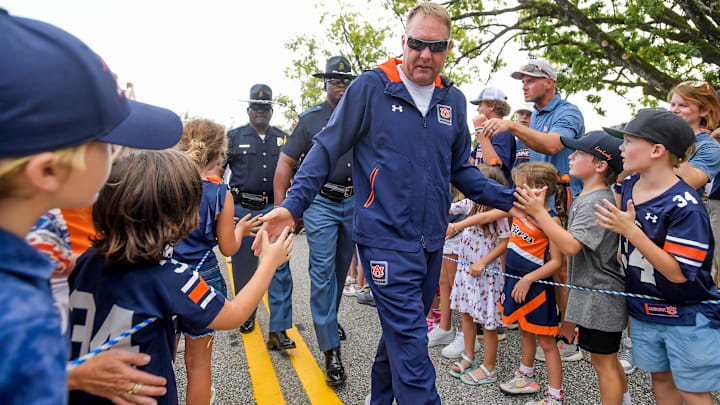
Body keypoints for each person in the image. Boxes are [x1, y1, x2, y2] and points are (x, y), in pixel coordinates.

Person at [254, 4, 525, 403]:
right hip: (383, 241)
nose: (425, 55)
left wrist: (514, 199)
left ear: (447, 49)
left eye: (436, 47)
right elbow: (325, 150)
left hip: (431, 242)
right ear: (404, 42)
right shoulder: (370, 87)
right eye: (417, 44)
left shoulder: (454, 100)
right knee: (414, 357)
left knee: (403, 334)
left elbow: (462, 172)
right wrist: (293, 207)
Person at [0, 9, 183, 403]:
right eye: (110, 143)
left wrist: (66, 375)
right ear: (48, 171)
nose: (119, 155)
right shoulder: (15, 317)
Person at [67, 150, 294, 404]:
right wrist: (270, 262)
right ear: (179, 216)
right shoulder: (171, 277)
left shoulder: (86, 259)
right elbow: (236, 314)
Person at [598, 110, 720, 405]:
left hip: (687, 315)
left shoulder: (685, 205)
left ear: (656, 150)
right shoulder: (628, 185)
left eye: (628, 141)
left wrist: (630, 231)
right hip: (645, 310)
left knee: (692, 391)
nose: (621, 149)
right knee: (660, 379)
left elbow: (678, 272)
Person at [515, 131, 631, 405]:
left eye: (580, 153)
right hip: (596, 294)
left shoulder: (596, 200)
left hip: (601, 296)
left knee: (603, 365)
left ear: (601, 165)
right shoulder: (589, 197)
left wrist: (539, 212)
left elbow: (571, 247)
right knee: (606, 361)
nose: (572, 156)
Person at [483, 59, 585, 358]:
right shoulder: (535, 117)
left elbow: (552, 146)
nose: (523, 85)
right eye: (522, 80)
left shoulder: (568, 112)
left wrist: (513, 125)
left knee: (562, 269)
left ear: (549, 82)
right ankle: (541, 324)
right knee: (537, 264)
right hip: (533, 205)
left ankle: (568, 336)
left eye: (529, 80)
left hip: (561, 204)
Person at [273, 56, 356, 386]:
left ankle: (329, 319)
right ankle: (330, 350)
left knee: (339, 271)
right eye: (335, 80)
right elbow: (285, 164)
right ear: (325, 84)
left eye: (345, 80)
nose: (341, 85)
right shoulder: (309, 120)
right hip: (321, 201)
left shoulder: (361, 117)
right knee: (321, 273)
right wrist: (284, 211)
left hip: (353, 202)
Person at [174, 119, 261, 404]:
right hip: (203, 280)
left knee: (163, 359)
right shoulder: (220, 194)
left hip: (165, 278)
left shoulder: (165, 186)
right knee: (197, 366)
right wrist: (240, 230)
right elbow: (228, 248)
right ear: (216, 156)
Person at [226, 85, 295, 348]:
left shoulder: (284, 139)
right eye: (256, 106)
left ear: (271, 110)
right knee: (244, 266)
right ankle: (246, 313)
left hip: (272, 210)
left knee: (280, 267)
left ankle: (279, 329)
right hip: (244, 210)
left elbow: (296, 173)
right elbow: (219, 172)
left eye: (265, 107)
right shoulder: (233, 137)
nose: (260, 111)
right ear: (248, 110)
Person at [497, 162, 566, 405]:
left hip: (536, 287)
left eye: (520, 187)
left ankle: (555, 396)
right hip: (515, 282)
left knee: (546, 342)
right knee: (525, 331)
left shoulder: (550, 221)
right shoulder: (519, 210)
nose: (515, 191)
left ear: (539, 190)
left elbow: (556, 262)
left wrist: (528, 279)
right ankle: (526, 376)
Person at [444, 165, 510, 387]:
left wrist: (483, 262)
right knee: (466, 315)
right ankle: (469, 356)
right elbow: (452, 208)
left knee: (487, 321)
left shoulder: (498, 211)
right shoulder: (471, 204)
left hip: (485, 276)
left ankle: (489, 366)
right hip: (466, 273)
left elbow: (504, 243)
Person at [667, 81, 720, 194]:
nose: (674, 110)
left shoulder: (709, 147)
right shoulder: (657, 135)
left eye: (683, 105)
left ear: (704, 110)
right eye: (672, 104)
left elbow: (689, 182)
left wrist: (672, 141)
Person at [469, 87, 516, 185]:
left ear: (492, 106)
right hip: (483, 190)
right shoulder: (487, 132)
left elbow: (494, 165)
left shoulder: (502, 132)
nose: (478, 109)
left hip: (496, 193)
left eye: (480, 105)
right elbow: (471, 162)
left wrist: (479, 130)